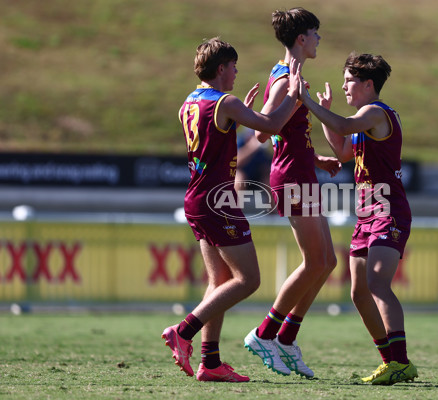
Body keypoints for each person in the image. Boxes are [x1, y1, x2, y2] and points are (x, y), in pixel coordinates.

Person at [161, 37, 301, 383]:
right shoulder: (226, 101)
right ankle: (184, 330)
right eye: (234, 66)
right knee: (248, 279)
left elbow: (219, 135)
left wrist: (242, 116)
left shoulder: (190, 102)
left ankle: (210, 363)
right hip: (218, 200)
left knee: (220, 281)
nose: (237, 71)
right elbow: (270, 127)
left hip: (196, 197)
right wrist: (296, 98)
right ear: (221, 68)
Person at [297, 52, 419, 385]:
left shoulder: (374, 112)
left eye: (349, 80)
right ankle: (391, 362)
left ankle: (401, 361)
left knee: (377, 284)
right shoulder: (365, 119)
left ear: (367, 84)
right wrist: (323, 114)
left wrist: (308, 102)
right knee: (359, 292)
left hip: (388, 210)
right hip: (368, 212)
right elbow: (343, 151)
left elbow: (343, 125)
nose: (344, 86)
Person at [243, 8, 341, 378]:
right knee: (315, 262)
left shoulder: (289, 74)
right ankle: (266, 334)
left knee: (328, 262)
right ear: (301, 37)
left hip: (303, 172)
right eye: (315, 33)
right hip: (292, 178)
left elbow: (285, 133)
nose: (319, 39)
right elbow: (263, 132)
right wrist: (293, 99)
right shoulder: (286, 79)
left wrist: (317, 158)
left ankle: (286, 338)